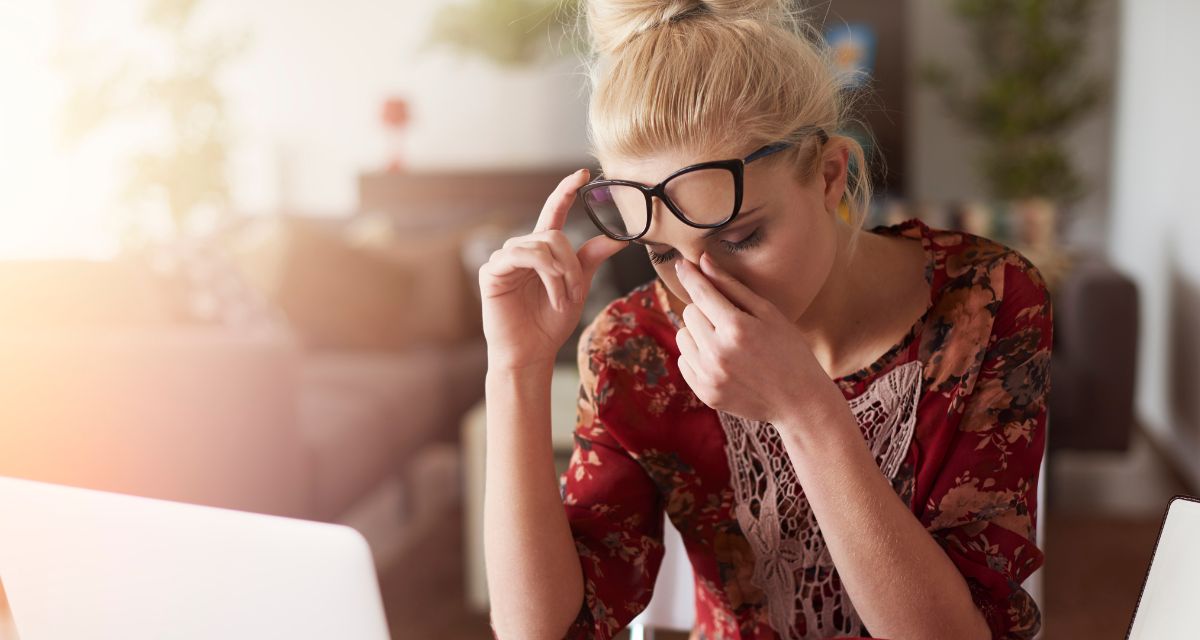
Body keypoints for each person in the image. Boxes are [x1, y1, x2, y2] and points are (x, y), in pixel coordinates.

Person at [477, 1, 1052, 638]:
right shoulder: (636, 348)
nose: (703, 289)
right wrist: (516, 368)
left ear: (830, 176)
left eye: (740, 237)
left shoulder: (985, 301)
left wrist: (805, 410)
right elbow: (541, 631)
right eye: (663, 254)